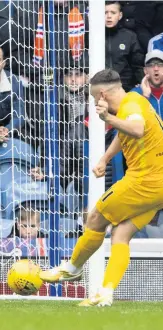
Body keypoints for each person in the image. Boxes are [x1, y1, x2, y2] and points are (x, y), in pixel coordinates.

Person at [40, 69, 163, 307]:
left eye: (95, 98)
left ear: (103, 94)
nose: (95, 102)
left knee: (96, 217)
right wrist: (105, 159)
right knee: (121, 233)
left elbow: (136, 129)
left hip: (146, 181)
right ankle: (105, 293)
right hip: (158, 186)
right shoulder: (136, 100)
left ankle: (72, 268)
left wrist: (107, 118)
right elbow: (127, 133)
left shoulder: (129, 107)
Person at [105, 1, 144, 92]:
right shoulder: (92, 37)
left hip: (125, 88)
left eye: (113, 12)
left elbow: (137, 65)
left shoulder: (129, 36)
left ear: (120, 15)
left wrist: (141, 83)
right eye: (105, 12)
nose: (109, 16)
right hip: (100, 87)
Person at [132, 50, 163, 118]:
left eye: (160, 65)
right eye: (151, 65)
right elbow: (129, 123)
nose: (156, 68)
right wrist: (145, 97)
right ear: (145, 70)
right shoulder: (134, 93)